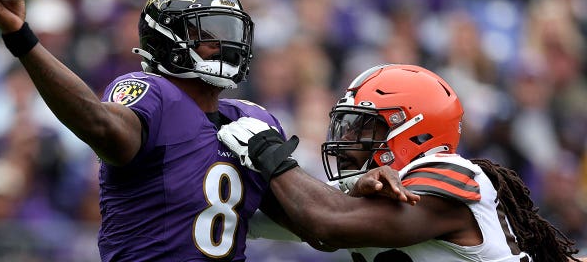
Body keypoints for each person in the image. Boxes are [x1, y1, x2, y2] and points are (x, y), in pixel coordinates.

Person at [0, 0, 417, 261]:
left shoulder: (255, 121)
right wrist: (23, 38)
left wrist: (359, 191)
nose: (227, 44)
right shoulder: (151, 94)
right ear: (167, 38)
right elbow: (98, 122)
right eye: (208, 32)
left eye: (230, 31)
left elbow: (315, 223)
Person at [218, 63, 583, 261]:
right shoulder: (367, 199)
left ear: (414, 132)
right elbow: (295, 218)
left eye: (362, 127)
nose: (344, 141)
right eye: (344, 127)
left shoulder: (455, 174)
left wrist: (269, 156)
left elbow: (328, 223)